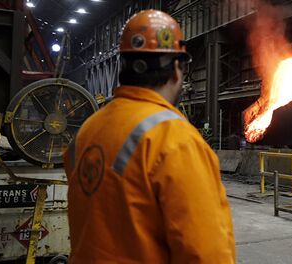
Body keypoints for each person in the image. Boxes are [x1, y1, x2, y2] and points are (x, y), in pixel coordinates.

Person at [63, 10, 235, 263]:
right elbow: (206, 254)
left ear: (123, 66)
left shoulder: (87, 131)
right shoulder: (175, 140)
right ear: (177, 69)